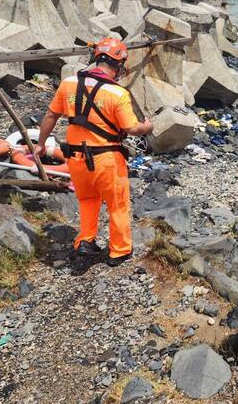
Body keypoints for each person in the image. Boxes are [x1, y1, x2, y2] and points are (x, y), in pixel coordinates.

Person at [38, 38, 153, 266]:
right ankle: (118, 251)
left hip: (76, 158)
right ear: (118, 65)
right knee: (117, 204)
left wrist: (41, 143)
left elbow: (51, 115)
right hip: (106, 158)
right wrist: (148, 127)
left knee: (88, 200)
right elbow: (131, 129)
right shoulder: (117, 94)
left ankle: (86, 241)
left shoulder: (69, 83)